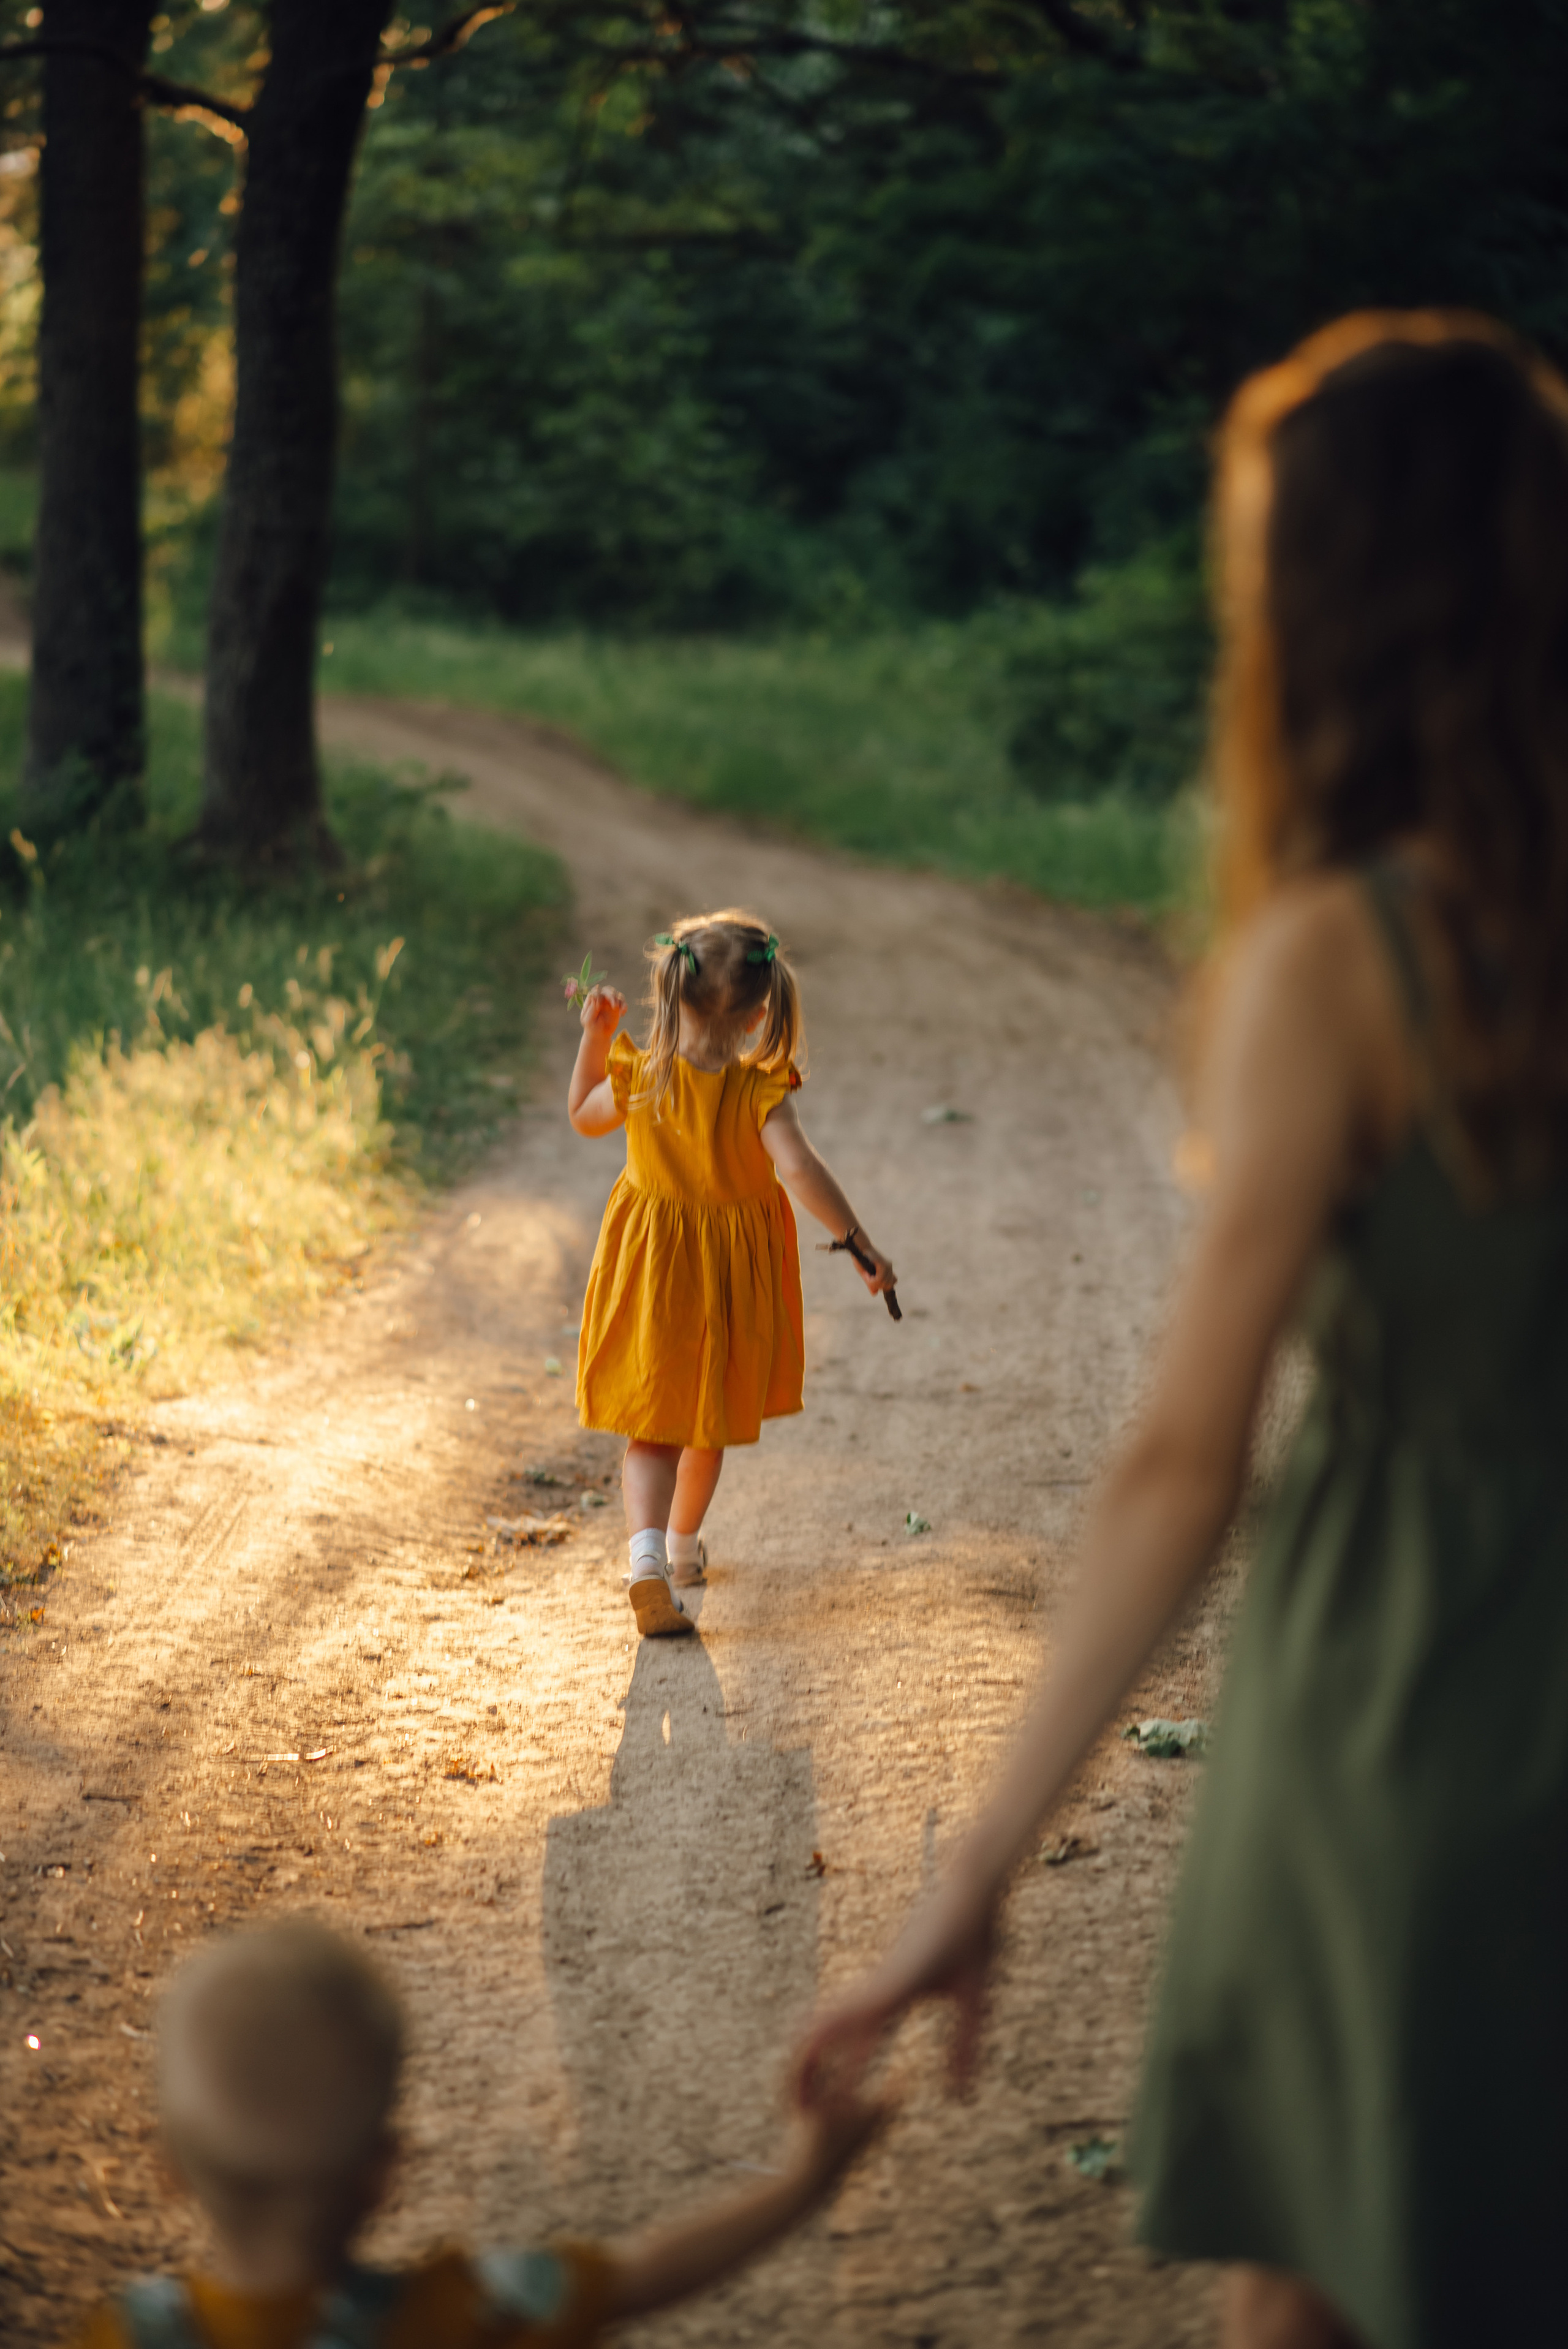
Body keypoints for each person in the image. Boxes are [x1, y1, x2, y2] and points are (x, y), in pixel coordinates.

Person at [795, 311, 1568, 2349]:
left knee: (1325, 2277)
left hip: (1412, 1705)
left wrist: (976, 1864)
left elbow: (1181, 1459)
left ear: (1319, 597)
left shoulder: (1342, 955)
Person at [75, 1918, 884, 2349]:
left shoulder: (122, 2336)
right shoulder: (475, 2315)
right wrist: (806, 2177)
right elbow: (644, 2273)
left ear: (169, 2165)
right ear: (384, 2171)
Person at [567, 910, 895, 1637]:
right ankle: (683, 1548)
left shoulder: (639, 1072)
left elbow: (582, 1117)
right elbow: (801, 1170)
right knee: (704, 1425)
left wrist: (594, 1039)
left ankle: (646, 1557)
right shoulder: (758, 1089)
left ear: (670, 994)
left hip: (653, 1269)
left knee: (651, 1427)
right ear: (758, 1016)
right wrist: (858, 1243)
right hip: (726, 1279)